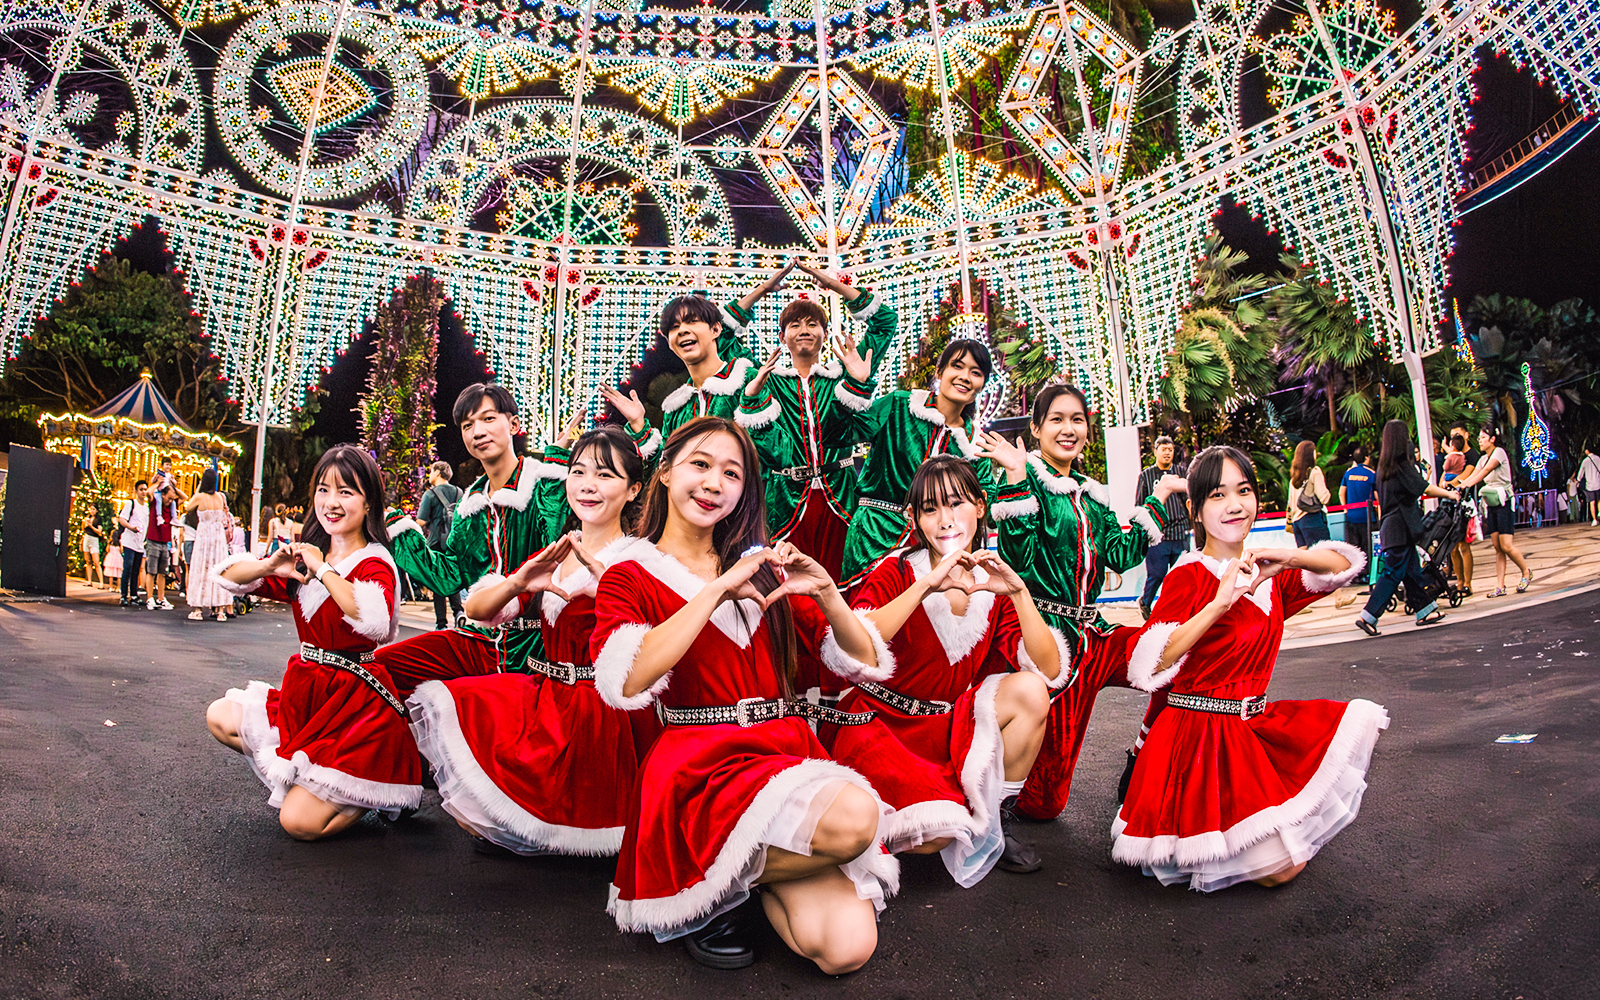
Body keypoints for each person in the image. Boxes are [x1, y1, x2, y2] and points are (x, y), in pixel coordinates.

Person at [591, 417, 898, 974]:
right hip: (699, 767)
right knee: (857, 819)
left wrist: (829, 594)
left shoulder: (761, 567)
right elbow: (626, 680)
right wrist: (712, 592)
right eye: (700, 465)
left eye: (731, 474)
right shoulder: (628, 573)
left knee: (845, 950)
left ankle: (718, 881)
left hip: (781, 754)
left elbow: (864, 662)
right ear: (664, 473)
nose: (714, 483)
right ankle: (710, 883)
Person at [1112, 445, 1383, 891]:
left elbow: (1344, 565)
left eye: (1244, 490)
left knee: (1285, 860)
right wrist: (1219, 604)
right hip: (1195, 738)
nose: (1235, 504)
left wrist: (1290, 558)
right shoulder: (1188, 575)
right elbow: (1148, 664)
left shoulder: (1265, 574)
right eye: (1218, 495)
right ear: (1195, 510)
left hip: (1249, 728)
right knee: (1281, 870)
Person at [409, 425, 655, 856]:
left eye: (605, 475)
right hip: (548, 698)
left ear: (633, 490)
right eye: (579, 472)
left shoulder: (637, 559)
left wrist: (611, 594)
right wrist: (518, 582)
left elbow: (650, 652)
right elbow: (477, 610)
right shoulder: (559, 551)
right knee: (457, 712)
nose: (588, 486)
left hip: (601, 720)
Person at [819, 456, 1064, 884]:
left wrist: (1022, 594)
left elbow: (1048, 668)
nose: (946, 519)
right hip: (879, 723)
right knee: (928, 836)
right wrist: (926, 586)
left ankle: (994, 826)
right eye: (930, 509)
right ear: (914, 518)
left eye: (956, 503)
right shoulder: (896, 569)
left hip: (945, 727)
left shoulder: (994, 582)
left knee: (1029, 691)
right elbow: (857, 647)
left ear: (981, 506)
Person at [975, 383, 1183, 820]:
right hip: (1052, 643)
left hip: (1097, 635)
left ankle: (1143, 758)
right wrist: (1014, 477)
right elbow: (1020, 561)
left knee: (1174, 656)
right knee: (1044, 805)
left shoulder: (1092, 491)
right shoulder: (1022, 473)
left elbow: (1122, 555)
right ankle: (999, 796)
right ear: (1036, 428)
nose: (1068, 429)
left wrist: (1159, 497)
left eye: (1077, 420)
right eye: (1057, 419)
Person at [205, 445, 421, 840]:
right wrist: (270, 566)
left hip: (357, 707)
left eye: (345, 492)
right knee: (220, 715)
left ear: (368, 499)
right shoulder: (307, 555)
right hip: (308, 696)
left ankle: (368, 790)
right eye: (323, 490)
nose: (331, 503)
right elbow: (230, 577)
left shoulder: (375, 560)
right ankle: (313, 781)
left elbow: (372, 618)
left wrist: (322, 569)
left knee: (299, 824)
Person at [379, 383, 570, 698]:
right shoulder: (471, 503)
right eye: (468, 425)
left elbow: (554, 534)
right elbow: (450, 576)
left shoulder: (541, 482)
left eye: (488, 419)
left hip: (535, 648)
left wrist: (556, 467)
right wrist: (397, 529)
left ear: (513, 425)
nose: (477, 431)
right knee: (381, 667)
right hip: (476, 639)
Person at [734, 263, 897, 579]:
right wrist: (763, 290)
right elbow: (723, 335)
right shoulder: (767, 379)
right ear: (782, 336)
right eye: (795, 324)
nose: (804, 329)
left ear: (825, 333)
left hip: (842, 496)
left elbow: (884, 323)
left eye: (813, 323)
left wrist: (836, 286)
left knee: (845, 580)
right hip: (786, 501)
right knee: (787, 586)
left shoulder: (843, 373)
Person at [833, 339, 1000, 588]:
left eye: (975, 372)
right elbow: (838, 434)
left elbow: (988, 506)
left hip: (937, 549)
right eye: (957, 366)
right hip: (873, 537)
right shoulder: (900, 405)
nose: (965, 377)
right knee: (867, 619)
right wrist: (855, 385)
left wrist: (1015, 470)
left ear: (982, 384)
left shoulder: (974, 443)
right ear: (940, 371)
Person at [1355, 421, 1461, 635]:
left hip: (1392, 528)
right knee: (1393, 573)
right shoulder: (1402, 467)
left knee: (1412, 571)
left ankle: (1425, 610)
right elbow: (1423, 488)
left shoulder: (1383, 469)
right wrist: (1450, 493)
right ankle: (1368, 616)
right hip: (1400, 529)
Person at [1452, 425, 1533, 597]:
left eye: (1483, 437)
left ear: (1492, 439)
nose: (1480, 441)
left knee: (1506, 545)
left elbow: (1485, 473)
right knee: (1497, 547)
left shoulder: (1499, 453)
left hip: (1504, 502)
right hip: (1492, 504)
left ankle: (1526, 571)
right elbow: (1475, 474)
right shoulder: (1482, 459)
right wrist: (1460, 484)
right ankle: (1500, 586)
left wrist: (1465, 484)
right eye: (1479, 438)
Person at [1134, 435, 1190, 618]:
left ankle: (1178, 611)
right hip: (1158, 535)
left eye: (1170, 450)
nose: (1167, 453)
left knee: (1181, 576)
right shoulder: (1146, 475)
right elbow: (1140, 504)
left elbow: (1188, 499)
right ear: (1155, 451)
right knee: (1157, 575)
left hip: (1180, 533)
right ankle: (1146, 602)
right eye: (1164, 449)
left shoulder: (1181, 472)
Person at [417, 460, 465, 630]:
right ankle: (459, 612)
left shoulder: (430, 495)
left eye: (431, 471)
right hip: (454, 543)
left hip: (436, 542)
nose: (430, 474)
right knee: (452, 578)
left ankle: (441, 624)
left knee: (438, 581)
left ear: (438, 472)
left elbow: (422, 520)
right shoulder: (459, 492)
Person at [183, 468, 234, 622]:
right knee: (218, 570)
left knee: (201, 569)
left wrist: (199, 487)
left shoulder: (200, 497)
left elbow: (187, 507)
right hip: (218, 538)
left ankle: (198, 609)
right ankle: (220, 610)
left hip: (204, 536)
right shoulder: (220, 497)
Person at [143, 467, 185, 611]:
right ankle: (150, 598)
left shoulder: (172, 504)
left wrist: (173, 487)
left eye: (172, 499)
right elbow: (148, 493)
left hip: (165, 542)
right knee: (151, 571)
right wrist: (158, 483)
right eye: (168, 498)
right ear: (163, 495)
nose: (170, 501)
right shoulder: (155, 501)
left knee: (162, 572)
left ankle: (161, 598)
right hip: (153, 539)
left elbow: (184, 497)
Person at [1442, 433, 1476, 596]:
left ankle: (1467, 583)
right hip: (1449, 504)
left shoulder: (1468, 459)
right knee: (1453, 547)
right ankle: (1460, 581)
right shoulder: (1452, 459)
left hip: (1462, 505)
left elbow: (1461, 479)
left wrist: (1448, 484)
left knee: (1463, 545)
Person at [1286, 440, 1330, 548]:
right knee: (1323, 556)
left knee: (1306, 560)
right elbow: (1324, 498)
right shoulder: (1314, 472)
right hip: (1312, 519)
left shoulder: (1294, 478)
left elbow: (1290, 504)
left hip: (1297, 523)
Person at [1339, 445, 1377, 567]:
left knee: (1353, 548)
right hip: (1367, 517)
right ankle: (1367, 574)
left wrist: (1345, 508)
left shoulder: (1348, 473)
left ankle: (1356, 574)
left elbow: (1341, 493)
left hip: (1351, 517)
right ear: (1366, 458)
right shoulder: (1371, 474)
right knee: (1367, 548)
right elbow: (1377, 496)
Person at [115, 479, 151, 607]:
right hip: (129, 541)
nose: (143, 492)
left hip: (140, 543)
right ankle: (124, 595)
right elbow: (122, 519)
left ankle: (134, 595)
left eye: (145, 489)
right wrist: (131, 527)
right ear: (136, 491)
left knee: (136, 569)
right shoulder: (131, 504)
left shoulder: (146, 508)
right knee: (128, 567)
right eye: (141, 489)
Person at [80, 508, 106, 588]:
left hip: (94, 539)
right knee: (88, 561)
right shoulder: (87, 517)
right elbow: (83, 529)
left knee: (96, 562)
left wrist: (91, 526)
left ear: (96, 510)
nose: (92, 511)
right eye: (91, 509)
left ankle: (101, 582)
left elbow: (99, 532)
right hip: (86, 538)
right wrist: (84, 524)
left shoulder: (98, 519)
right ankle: (89, 581)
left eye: (94, 509)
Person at [1578, 444, 1600, 526]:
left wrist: (1578, 480)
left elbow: (1580, 474)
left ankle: (1594, 520)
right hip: (1598, 483)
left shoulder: (1585, 461)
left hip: (1589, 485)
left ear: (1587, 451)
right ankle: (1599, 512)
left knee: (1592, 502)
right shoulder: (1598, 458)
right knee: (1599, 500)